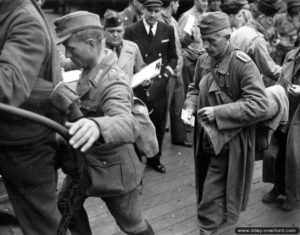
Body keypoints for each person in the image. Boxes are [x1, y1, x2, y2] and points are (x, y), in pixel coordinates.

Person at [54, 11, 155, 235]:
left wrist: (97, 125)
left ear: (91, 43)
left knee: (132, 225)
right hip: (84, 164)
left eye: (70, 48)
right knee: (65, 205)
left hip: (113, 169)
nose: (67, 54)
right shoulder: (89, 64)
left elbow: (127, 123)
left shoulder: (114, 80)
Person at [183, 12, 269, 235]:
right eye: (204, 40)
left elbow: (260, 105)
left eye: (212, 40)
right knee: (209, 193)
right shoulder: (203, 60)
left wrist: (218, 112)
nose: (206, 45)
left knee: (210, 202)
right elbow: (194, 88)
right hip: (206, 140)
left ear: (228, 36)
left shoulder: (243, 65)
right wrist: (190, 105)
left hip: (231, 144)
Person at [0, 0, 66, 234]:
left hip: (25, 142)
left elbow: (9, 85)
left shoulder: (25, 19)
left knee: (43, 224)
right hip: (11, 133)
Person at [124, 0, 178, 174]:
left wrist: (164, 77)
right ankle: (137, 159)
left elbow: (173, 58)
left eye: (156, 11)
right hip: (138, 85)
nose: (153, 15)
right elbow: (127, 57)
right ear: (143, 10)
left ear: (160, 10)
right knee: (138, 122)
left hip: (159, 84)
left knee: (159, 122)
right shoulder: (131, 30)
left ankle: (155, 158)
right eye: (150, 11)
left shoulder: (167, 29)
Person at [263, 47, 300, 211]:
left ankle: (293, 193)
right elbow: (280, 79)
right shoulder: (292, 54)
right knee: (280, 150)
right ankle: (278, 186)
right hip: (286, 110)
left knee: (296, 156)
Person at [159, 0, 190, 147]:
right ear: (172, 3)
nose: (178, 6)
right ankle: (155, 145)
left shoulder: (173, 20)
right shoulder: (158, 19)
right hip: (168, 70)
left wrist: (189, 38)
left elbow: (180, 43)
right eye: (177, 2)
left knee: (179, 105)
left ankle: (180, 137)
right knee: (162, 107)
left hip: (178, 68)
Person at [231, 0, 282, 83]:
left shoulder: (238, 31)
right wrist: (291, 73)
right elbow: (271, 70)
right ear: (261, 18)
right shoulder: (256, 39)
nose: (271, 24)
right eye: (270, 20)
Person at [103, 10, 145, 78]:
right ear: (104, 30)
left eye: (119, 31)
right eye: (111, 31)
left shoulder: (133, 48)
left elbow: (141, 72)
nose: (115, 35)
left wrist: (146, 83)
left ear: (124, 30)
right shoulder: (96, 49)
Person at [178, 0, 207, 95]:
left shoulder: (206, 16)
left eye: (207, 1)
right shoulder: (188, 16)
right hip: (189, 60)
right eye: (202, 1)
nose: (205, 3)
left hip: (203, 59)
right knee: (189, 90)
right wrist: (189, 37)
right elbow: (180, 42)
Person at [272, 0, 300, 65]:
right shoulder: (280, 17)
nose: (297, 10)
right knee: (276, 66)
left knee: (289, 68)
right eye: (295, 7)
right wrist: (277, 40)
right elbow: (272, 28)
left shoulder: (298, 18)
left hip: (292, 48)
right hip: (279, 48)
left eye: (298, 7)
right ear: (290, 8)